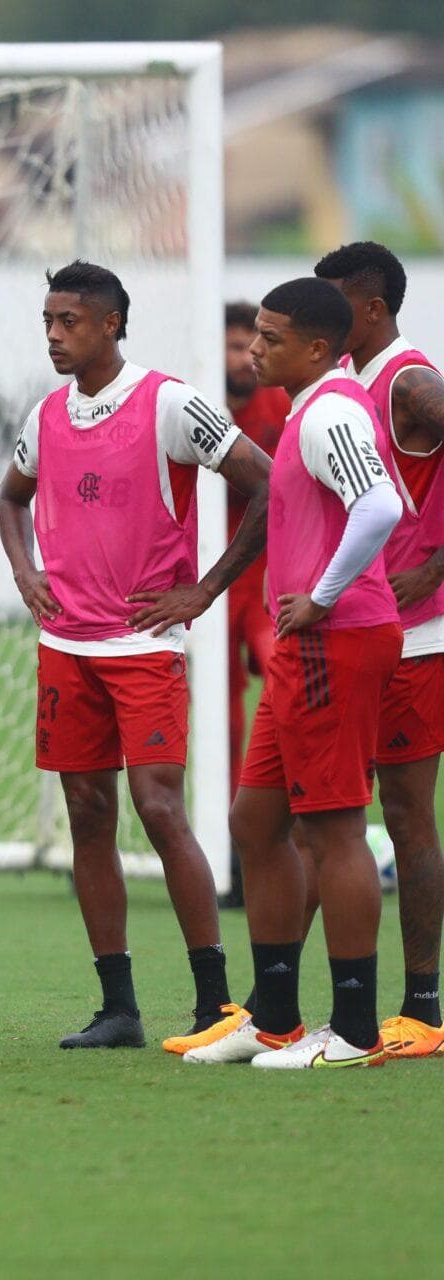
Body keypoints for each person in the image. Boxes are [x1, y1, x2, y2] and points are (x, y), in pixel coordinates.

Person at [0, 261, 273, 1052]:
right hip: (65, 646)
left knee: (158, 808)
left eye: (69, 321)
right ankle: (118, 1008)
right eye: (47, 320)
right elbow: (9, 497)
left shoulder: (172, 403)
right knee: (89, 816)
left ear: (111, 323)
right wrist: (25, 571)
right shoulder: (47, 413)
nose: (53, 334)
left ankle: (215, 1003)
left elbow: (268, 483)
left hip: (145, 644)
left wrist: (207, 589)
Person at [184, 277, 403, 1070]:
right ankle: (274, 1016)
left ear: (318, 347)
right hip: (306, 641)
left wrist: (323, 593)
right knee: (255, 821)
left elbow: (378, 506)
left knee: (334, 831)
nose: (252, 349)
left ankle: (353, 1032)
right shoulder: (312, 406)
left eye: (269, 338)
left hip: (334, 639)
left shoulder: (333, 411)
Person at [315, 241, 444, 1058]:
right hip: (357, 633)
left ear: (369, 310)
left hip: (417, 639)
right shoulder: (348, 388)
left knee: (402, 813)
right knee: (315, 814)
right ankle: (277, 1002)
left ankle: (424, 1005)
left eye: (332, 307)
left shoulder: (410, 382)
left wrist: (435, 565)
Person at [222, 302, 293, 797]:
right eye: (231, 346)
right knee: (221, 714)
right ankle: (230, 826)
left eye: (251, 346)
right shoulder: (193, 410)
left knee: (286, 682)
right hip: (215, 583)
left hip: (272, 576)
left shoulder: (283, 406)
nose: (245, 357)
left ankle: (296, 807)